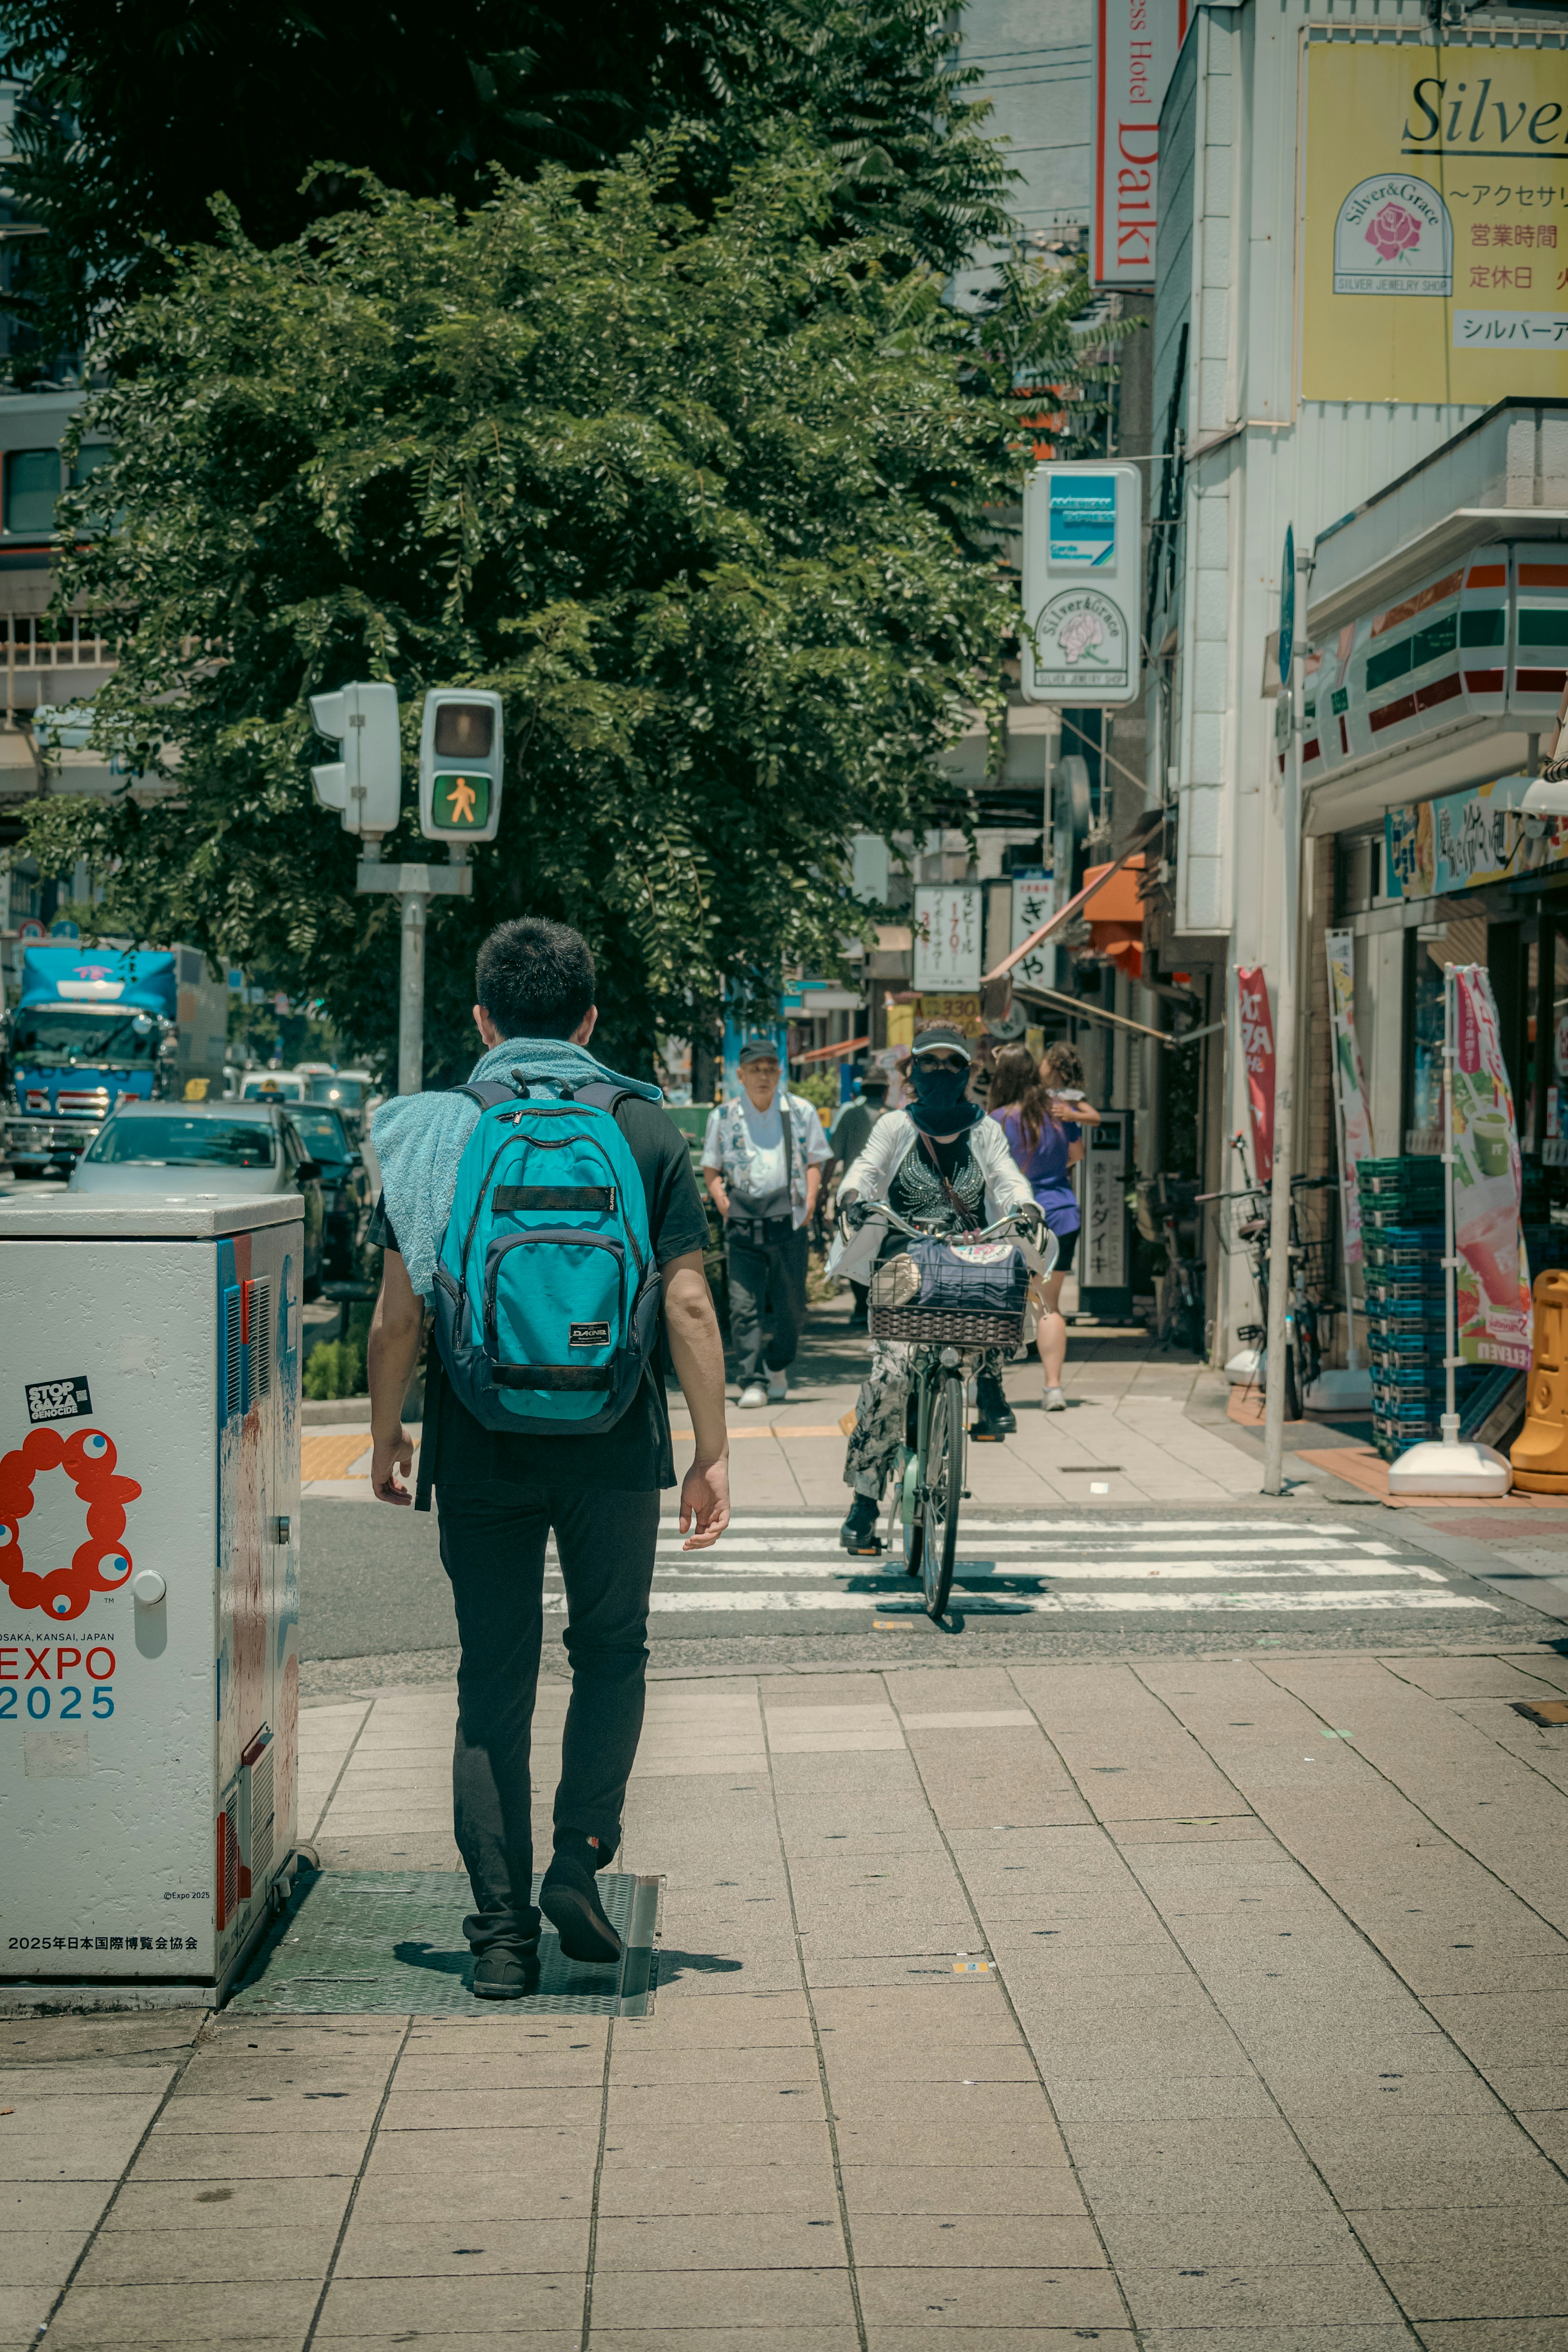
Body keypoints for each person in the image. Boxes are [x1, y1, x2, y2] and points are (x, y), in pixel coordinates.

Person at [365, 917, 730, 1999]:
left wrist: (389, 1431)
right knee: (611, 1653)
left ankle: (500, 1942)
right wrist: (711, 1452)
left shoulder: (431, 1133)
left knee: (494, 1680)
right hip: (616, 1442)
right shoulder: (647, 1127)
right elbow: (690, 1303)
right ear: (590, 1019)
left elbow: (397, 1317)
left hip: (479, 1444)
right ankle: (580, 1858)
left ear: (480, 1017)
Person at [835, 1025, 1039, 1552]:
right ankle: (864, 1499)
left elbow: (1005, 1176)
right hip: (903, 1257)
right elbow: (868, 1167)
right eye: (931, 1064)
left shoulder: (985, 1128)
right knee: (890, 1375)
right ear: (913, 1073)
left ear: (969, 1073)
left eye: (954, 1064)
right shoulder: (894, 1125)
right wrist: (855, 1194)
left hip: (969, 1254)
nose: (942, 1074)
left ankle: (990, 1381)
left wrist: (1023, 1203)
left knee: (1002, 1281)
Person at [702, 1039, 829, 1409]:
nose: (763, 1076)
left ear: (780, 1072)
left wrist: (810, 1199)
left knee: (791, 1305)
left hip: (788, 1218)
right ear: (740, 1075)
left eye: (770, 1068)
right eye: (755, 1069)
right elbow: (712, 1167)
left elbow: (815, 1160)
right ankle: (752, 1379)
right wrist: (722, 1200)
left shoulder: (800, 1111)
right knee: (744, 1307)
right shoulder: (722, 1117)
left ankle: (778, 1363)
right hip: (742, 1220)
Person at [988, 1040, 1086, 1412]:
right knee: (1049, 1305)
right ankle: (1054, 1389)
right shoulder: (1059, 1113)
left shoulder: (997, 1120)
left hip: (1012, 1219)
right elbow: (1077, 1154)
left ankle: (987, 1386)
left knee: (1002, 1302)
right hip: (1062, 1214)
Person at [825, 1069, 889, 1329]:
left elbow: (833, 1154)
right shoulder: (895, 1117)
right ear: (885, 1091)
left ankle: (862, 1305)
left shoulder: (851, 1116)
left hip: (855, 1197)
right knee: (884, 1249)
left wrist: (824, 1187)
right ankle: (881, 1304)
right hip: (888, 1197)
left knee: (854, 1245)